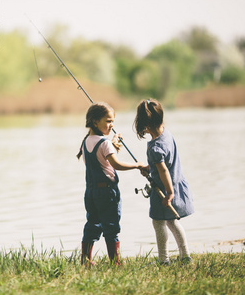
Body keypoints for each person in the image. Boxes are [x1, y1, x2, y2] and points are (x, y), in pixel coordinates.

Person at [77, 102, 144, 266]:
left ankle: (85, 259)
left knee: (92, 223)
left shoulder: (86, 142)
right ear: (95, 122)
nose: (111, 125)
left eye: (112, 121)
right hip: (108, 193)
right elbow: (116, 165)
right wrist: (138, 165)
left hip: (91, 193)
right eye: (108, 121)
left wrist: (112, 146)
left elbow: (100, 160)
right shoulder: (104, 143)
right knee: (111, 226)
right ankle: (115, 262)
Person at [133, 98, 194, 265]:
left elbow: (163, 170)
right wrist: (149, 167)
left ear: (144, 124)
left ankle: (163, 260)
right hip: (175, 183)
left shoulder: (154, 148)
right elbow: (163, 165)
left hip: (165, 190)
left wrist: (169, 194)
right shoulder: (166, 134)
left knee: (158, 223)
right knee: (172, 222)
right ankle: (185, 256)